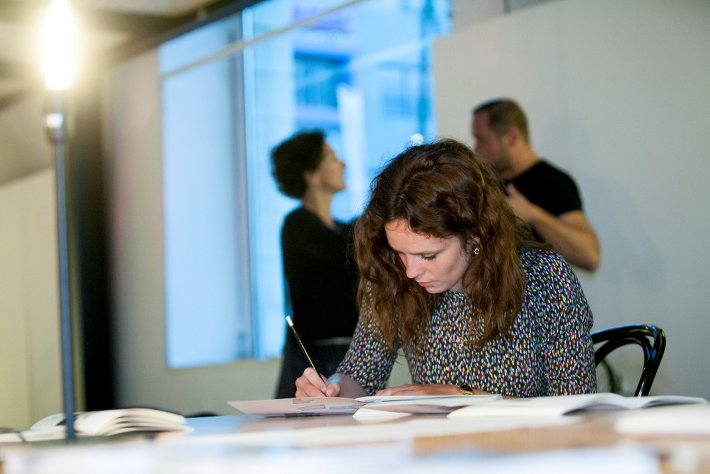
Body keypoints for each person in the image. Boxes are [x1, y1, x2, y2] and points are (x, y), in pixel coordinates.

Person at [295, 138, 596, 399]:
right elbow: (360, 374)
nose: (411, 271)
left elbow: (575, 403)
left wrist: (460, 395)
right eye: (400, 252)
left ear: (475, 234)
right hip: (434, 447)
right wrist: (329, 389)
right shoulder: (394, 277)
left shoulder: (544, 276)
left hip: (527, 447)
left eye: (428, 255)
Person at [271, 130, 359, 399]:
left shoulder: (343, 229)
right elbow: (346, 255)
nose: (342, 164)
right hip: (317, 356)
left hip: (351, 351)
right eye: (331, 158)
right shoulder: (298, 225)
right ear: (311, 174)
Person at [471, 98, 601, 272]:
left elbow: (590, 256)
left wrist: (532, 214)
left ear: (511, 138)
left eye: (482, 140)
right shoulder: (486, 183)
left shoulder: (553, 183)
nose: (476, 149)